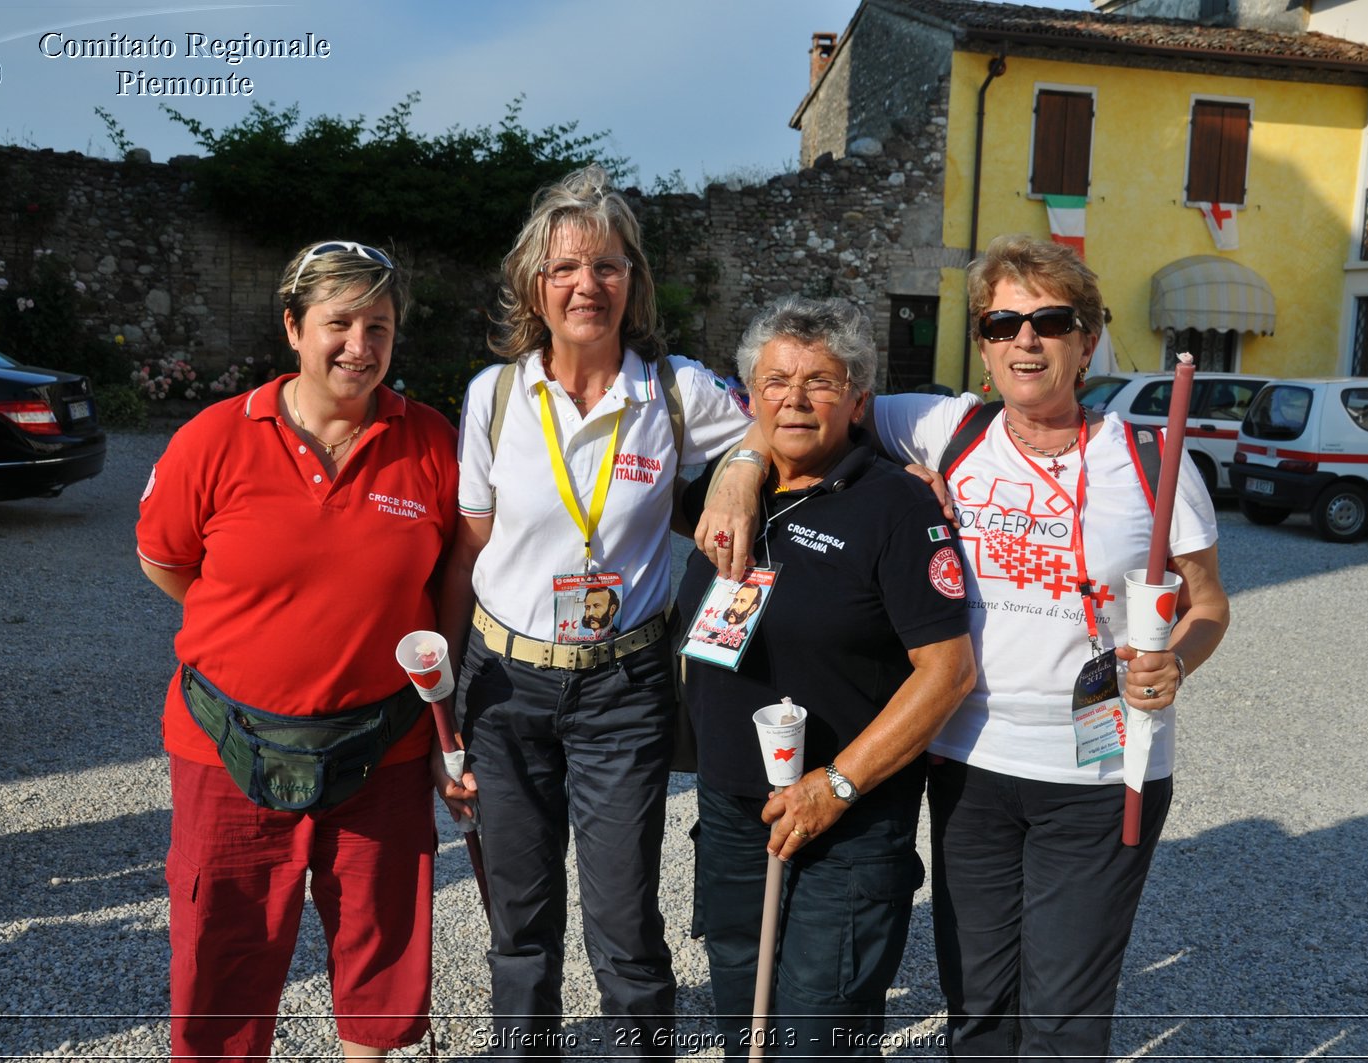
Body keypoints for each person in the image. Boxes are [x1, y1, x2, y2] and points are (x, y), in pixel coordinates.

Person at [865, 234, 1231, 1060]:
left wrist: (1177, 658)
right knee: (979, 1000)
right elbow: (809, 407)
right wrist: (747, 468)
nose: (1024, 339)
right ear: (983, 345)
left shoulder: (1151, 458)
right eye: (1001, 323)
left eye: (1050, 320)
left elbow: (1206, 603)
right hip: (968, 761)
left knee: (1065, 1011)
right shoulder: (941, 428)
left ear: (1086, 339)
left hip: (1101, 772)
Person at [438, 165, 760, 1058]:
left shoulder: (675, 390)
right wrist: (444, 723)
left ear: (634, 281)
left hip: (623, 686)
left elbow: (768, 426)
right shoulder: (493, 397)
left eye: (609, 266)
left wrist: (734, 472)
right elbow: (468, 552)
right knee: (519, 914)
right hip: (502, 688)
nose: (588, 284)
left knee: (623, 914)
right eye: (566, 268)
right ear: (533, 285)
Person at [137, 241, 459, 1060]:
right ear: (292, 327)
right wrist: (263, 624)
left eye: (379, 325)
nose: (361, 344)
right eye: (339, 322)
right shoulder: (214, 437)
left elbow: (452, 579)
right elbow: (166, 562)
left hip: (382, 747)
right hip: (226, 742)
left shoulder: (430, 442)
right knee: (225, 947)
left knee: (380, 942)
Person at [677, 296, 977, 1058]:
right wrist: (741, 465)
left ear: (859, 401)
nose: (796, 398)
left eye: (821, 381)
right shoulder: (725, 488)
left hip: (847, 820)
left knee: (820, 1035)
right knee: (741, 1020)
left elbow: (947, 672)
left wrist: (836, 784)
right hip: (733, 813)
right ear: (749, 397)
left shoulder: (897, 505)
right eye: (776, 380)